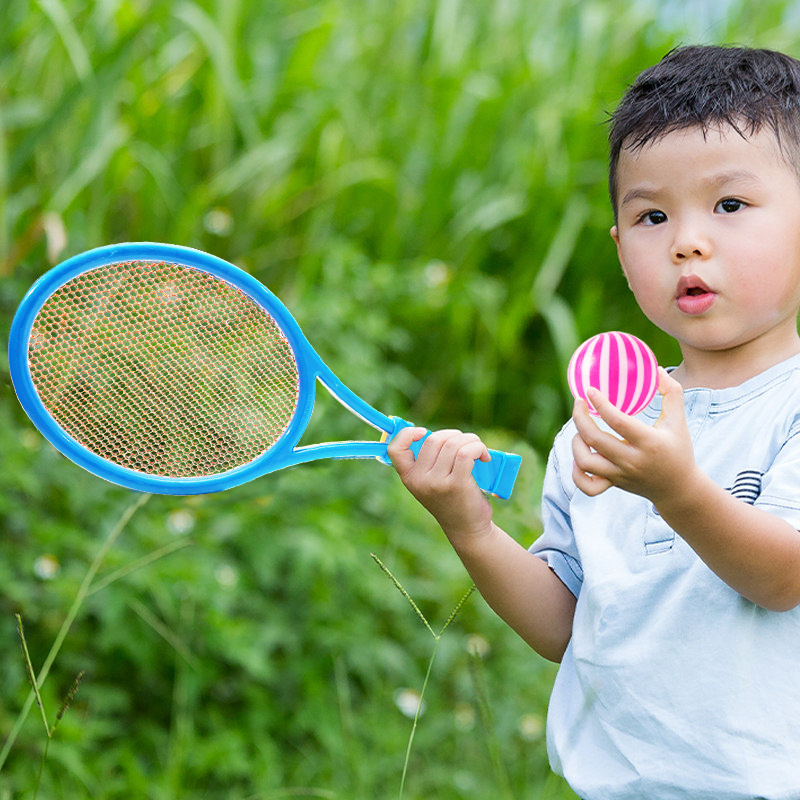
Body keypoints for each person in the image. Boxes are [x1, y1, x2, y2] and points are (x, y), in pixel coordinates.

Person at [388, 45, 800, 799]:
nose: (686, 240)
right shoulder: (600, 427)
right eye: (651, 215)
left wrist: (676, 491)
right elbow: (561, 627)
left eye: (730, 205)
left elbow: (784, 576)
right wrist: (469, 526)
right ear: (619, 247)